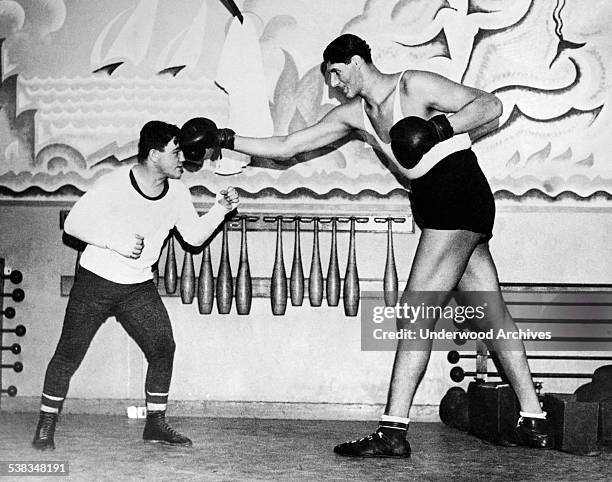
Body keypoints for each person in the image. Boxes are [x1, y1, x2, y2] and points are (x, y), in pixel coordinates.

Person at [178, 33, 552, 457]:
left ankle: (393, 432)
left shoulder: (413, 85)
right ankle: (533, 420)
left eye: (337, 73)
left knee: (415, 314)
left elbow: (491, 105)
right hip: (432, 202)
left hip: (457, 192)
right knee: (491, 311)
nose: (335, 84)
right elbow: (287, 147)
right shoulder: (356, 114)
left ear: (356, 61)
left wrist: (438, 128)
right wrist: (224, 139)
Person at [32, 120, 239, 450]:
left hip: (137, 287)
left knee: (163, 347)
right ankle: (46, 424)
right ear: (155, 155)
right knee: (68, 354)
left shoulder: (178, 193)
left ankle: (155, 424)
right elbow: (73, 224)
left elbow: (194, 237)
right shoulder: (114, 184)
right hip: (95, 282)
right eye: (175, 151)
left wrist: (220, 209)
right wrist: (115, 241)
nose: (183, 156)